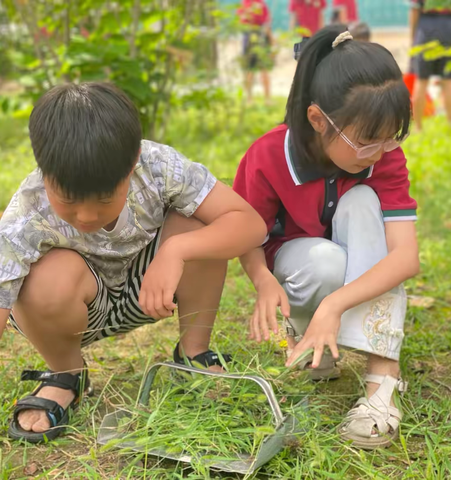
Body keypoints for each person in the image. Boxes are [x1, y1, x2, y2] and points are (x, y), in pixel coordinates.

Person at [0, 82, 267, 443]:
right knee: (39, 279)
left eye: (105, 198)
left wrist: (177, 250)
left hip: (151, 292)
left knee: (198, 223)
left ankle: (193, 354)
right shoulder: (27, 211)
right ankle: (66, 373)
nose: (86, 215)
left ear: (133, 162)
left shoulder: (160, 168)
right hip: (74, 310)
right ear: (43, 171)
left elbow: (249, 224)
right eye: (68, 200)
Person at [234, 26, 419, 449]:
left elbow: (404, 256)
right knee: (323, 261)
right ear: (318, 119)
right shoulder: (268, 155)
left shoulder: (382, 155)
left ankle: (382, 375)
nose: (379, 151)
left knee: (363, 204)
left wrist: (335, 305)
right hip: (303, 266)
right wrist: (262, 281)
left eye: (391, 137)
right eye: (367, 140)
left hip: (351, 274)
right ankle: (310, 338)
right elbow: (245, 233)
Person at [410, 0, 451, 130]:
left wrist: (413, 37)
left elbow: (415, 9)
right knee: (449, 79)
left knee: (421, 80)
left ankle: (418, 127)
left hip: (426, 27)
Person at [237, 0, 274, 104]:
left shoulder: (248, 4)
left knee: (255, 69)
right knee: (257, 69)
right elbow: (266, 25)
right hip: (255, 37)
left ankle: (254, 99)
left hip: (252, 37)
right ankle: (261, 99)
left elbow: (267, 22)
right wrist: (271, 39)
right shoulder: (255, 4)